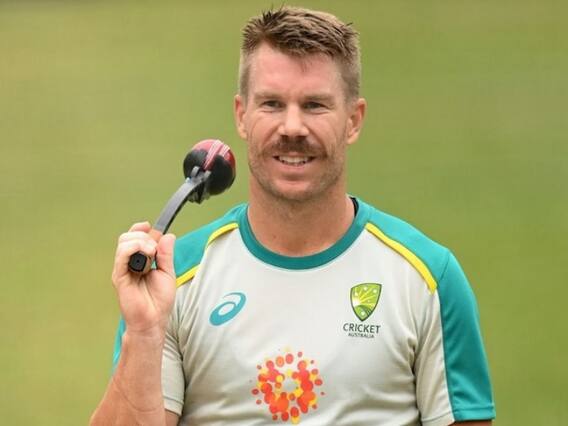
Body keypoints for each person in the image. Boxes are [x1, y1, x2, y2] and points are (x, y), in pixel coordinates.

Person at [91, 6, 495, 426]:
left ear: (353, 120)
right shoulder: (174, 281)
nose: (292, 127)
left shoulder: (427, 279)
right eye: (272, 104)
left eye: (315, 105)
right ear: (241, 115)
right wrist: (143, 333)